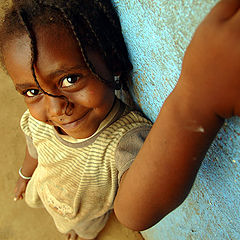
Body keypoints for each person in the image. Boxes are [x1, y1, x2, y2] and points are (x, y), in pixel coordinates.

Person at [0, 0, 240, 239]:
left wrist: (198, 102)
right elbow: (34, 150)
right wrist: (25, 175)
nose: (55, 109)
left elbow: (135, 212)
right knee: (61, 220)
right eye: (32, 92)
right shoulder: (37, 122)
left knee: (82, 228)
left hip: (88, 214)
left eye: (70, 79)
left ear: (111, 61)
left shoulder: (124, 141)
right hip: (47, 191)